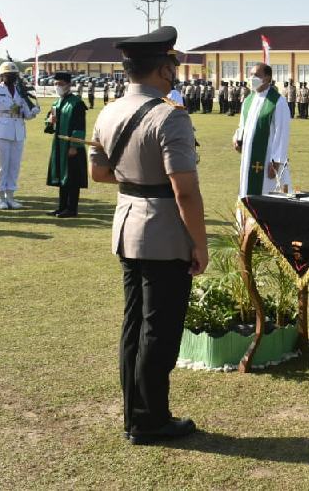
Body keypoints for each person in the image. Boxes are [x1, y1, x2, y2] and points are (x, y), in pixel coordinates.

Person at [88, 25, 206, 446]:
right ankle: (150, 419)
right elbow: (185, 189)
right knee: (160, 329)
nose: (175, 70)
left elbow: (99, 173)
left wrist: (135, 177)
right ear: (163, 69)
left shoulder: (108, 112)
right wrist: (201, 243)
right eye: (172, 63)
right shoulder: (170, 115)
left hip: (127, 224)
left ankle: (136, 414)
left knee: (134, 324)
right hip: (163, 230)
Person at [0, 61, 40, 210]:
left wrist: (33, 112)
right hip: (2, 132)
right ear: (2, 76)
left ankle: (10, 196)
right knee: (2, 166)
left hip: (18, 132)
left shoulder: (19, 91)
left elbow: (25, 115)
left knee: (14, 166)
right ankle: (0, 197)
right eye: (9, 75)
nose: (12, 78)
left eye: (14, 75)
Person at [233, 64, 291, 197]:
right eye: (251, 75)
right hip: (248, 158)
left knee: (268, 193)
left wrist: (277, 162)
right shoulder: (248, 100)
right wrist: (236, 138)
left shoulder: (278, 102)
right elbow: (242, 126)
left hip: (268, 160)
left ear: (267, 78)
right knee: (247, 190)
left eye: (257, 75)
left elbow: (282, 133)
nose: (252, 78)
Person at [44, 72, 88, 217]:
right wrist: (50, 121)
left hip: (71, 147)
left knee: (72, 178)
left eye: (61, 84)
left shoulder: (77, 103)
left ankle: (71, 208)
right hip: (59, 146)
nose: (58, 87)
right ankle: (62, 206)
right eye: (56, 84)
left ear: (69, 85)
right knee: (62, 178)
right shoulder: (56, 103)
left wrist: (74, 146)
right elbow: (49, 126)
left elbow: (80, 126)